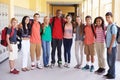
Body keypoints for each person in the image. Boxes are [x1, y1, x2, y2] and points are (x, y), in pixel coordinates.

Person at [104, 12, 117, 79]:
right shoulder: (108, 25)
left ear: (111, 17)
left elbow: (114, 37)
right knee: (109, 61)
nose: (107, 18)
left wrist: (110, 47)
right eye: (106, 17)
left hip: (112, 47)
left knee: (111, 61)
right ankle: (109, 72)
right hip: (108, 46)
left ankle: (112, 75)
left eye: (108, 17)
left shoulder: (113, 26)